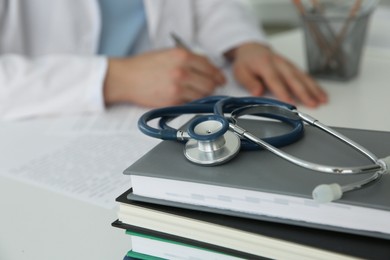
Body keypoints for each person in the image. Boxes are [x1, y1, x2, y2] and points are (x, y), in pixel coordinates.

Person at [0, 0, 327, 120]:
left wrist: (242, 45)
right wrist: (115, 77)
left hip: (152, 120)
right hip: (37, 133)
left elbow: (208, 6)